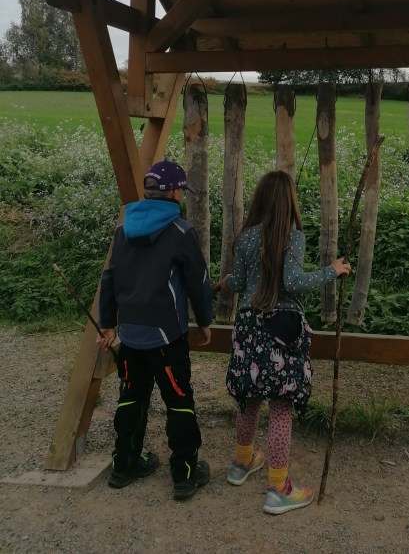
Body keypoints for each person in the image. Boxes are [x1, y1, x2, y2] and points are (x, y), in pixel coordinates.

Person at [215, 170, 350, 515]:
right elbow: (293, 281)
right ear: (289, 201)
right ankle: (278, 488)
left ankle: (241, 463)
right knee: (280, 405)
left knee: (249, 398)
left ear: (260, 198)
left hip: (248, 325)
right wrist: (332, 270)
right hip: (281, 328)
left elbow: (239, 281)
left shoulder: (246, 236)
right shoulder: (293, 236)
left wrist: (223, 283)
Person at [97, 160, 213, 501]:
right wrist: (204, 322)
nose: (182, 196)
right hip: (167, 338)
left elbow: (110, 277)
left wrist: (108, 323)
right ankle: (185, 472)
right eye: (182, 191)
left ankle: (124, 464)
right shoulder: (181, 232)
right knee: (179, 401)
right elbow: (199, 281)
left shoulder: (123, 230)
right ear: (175, 192)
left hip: (130, 335)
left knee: (131, 396)